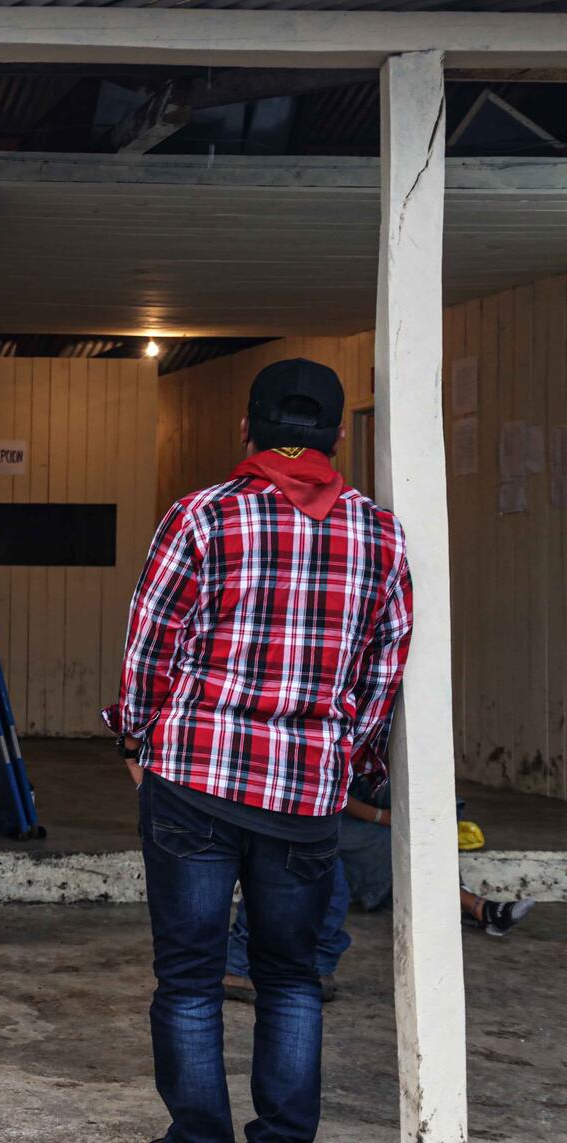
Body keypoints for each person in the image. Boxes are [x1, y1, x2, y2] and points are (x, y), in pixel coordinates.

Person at [105, 358, 413, 1143]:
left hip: (193, 780)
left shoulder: (201, 516)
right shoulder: (380, 533)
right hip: (305, 794)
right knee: (291, 978)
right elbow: (385, 666)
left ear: (245, 426)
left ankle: (200, 1136)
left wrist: (136, 733)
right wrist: (348, 759)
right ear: (340, 434)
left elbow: (150, 646)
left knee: (189, 979)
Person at [222, 774, 538, 1001]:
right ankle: (475, 905)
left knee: (427, 812)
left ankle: (471, 903)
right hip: (311, 799)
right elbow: (324, 777)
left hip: (337, 798)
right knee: (347, 863)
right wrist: (381, 816)